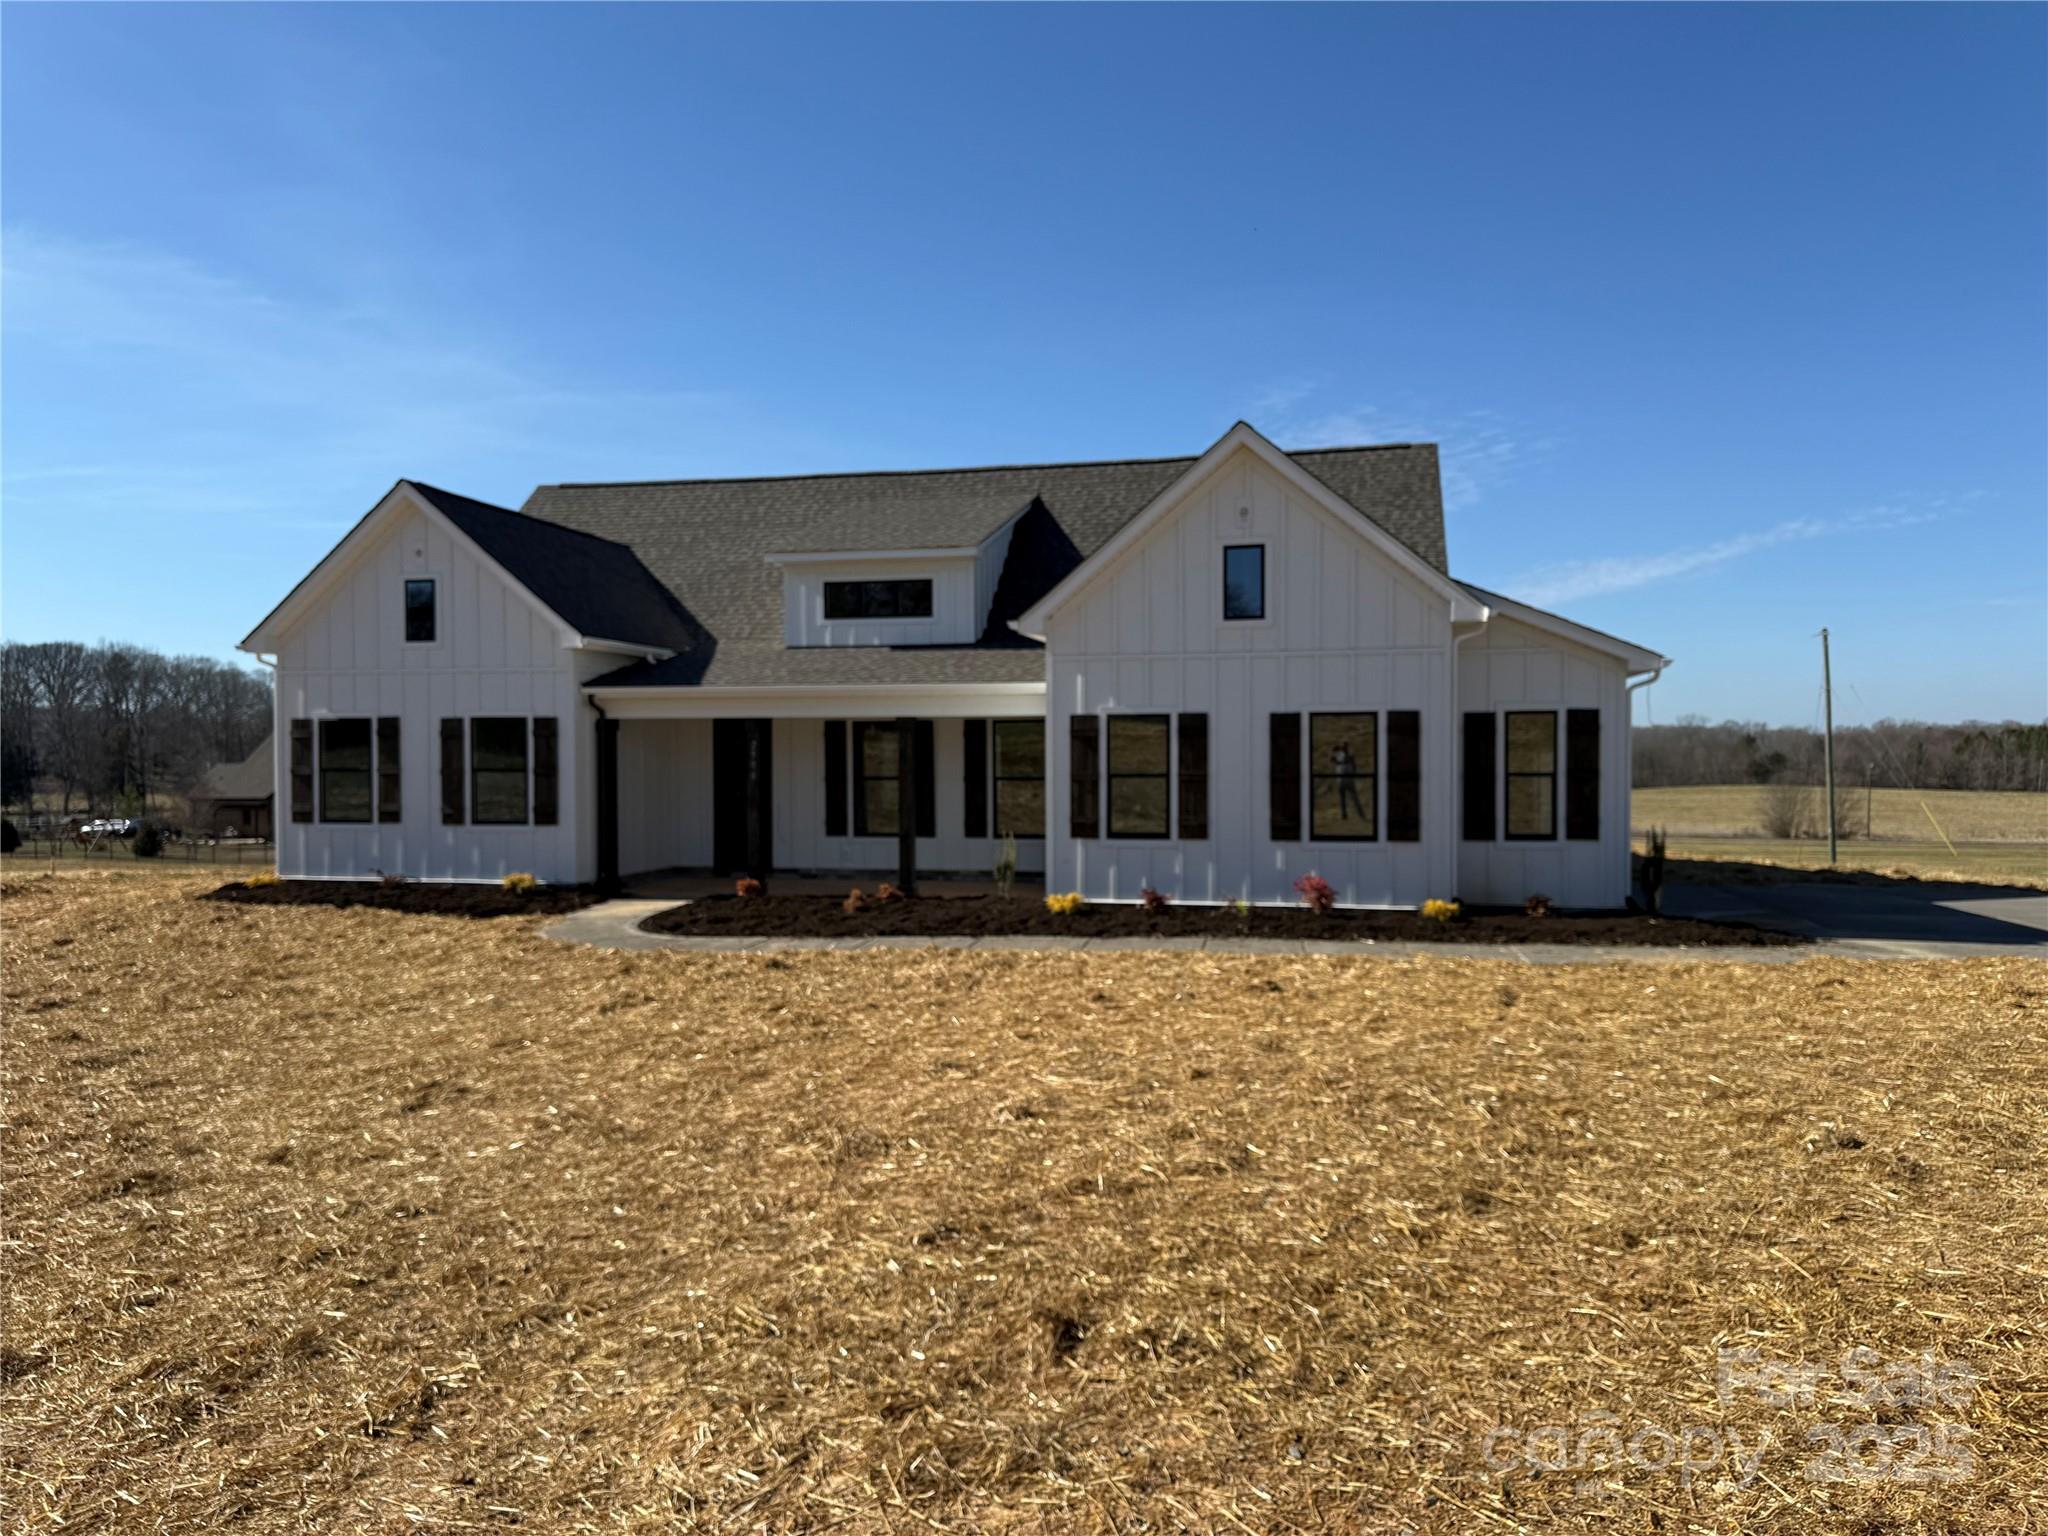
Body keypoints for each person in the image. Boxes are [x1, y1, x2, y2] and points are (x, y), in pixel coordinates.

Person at [1334, 741, 1367, 823]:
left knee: (1352, 798)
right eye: (1343, 747)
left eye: (1344, 747)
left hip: (1346, 779)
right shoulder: (1342, 755)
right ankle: (1345, 815)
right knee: (1345, 799)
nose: (1343, 748)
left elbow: (1347, 761)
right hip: (1343, 779)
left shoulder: (1346, 755)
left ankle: (1359, 815)